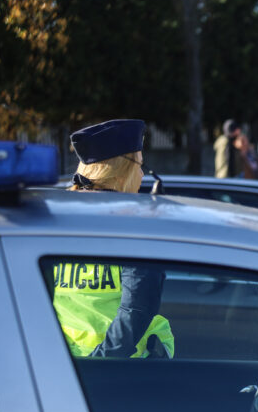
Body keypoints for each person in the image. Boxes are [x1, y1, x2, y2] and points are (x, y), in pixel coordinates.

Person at [56, 119, 174, 358]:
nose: (142, 173)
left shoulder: (59, 220)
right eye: (139, 165)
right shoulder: (133, 230)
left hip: (61, 363)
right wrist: (103, 363)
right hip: (124, 373)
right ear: (122, 173)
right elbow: (137, 309)